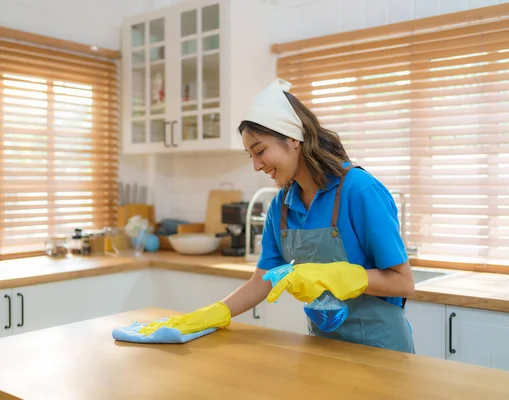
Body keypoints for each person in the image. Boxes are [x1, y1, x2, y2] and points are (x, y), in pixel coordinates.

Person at [139, 78, 416, 353]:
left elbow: (403, 282)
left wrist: (342, 275)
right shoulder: (282, 205)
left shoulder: (359, 190)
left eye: (260, 151)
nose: (257, 165)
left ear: (293, 137)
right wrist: (214, 313)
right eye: (251, 156)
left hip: (381, 349)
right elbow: (263, 280)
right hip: (322, 348)